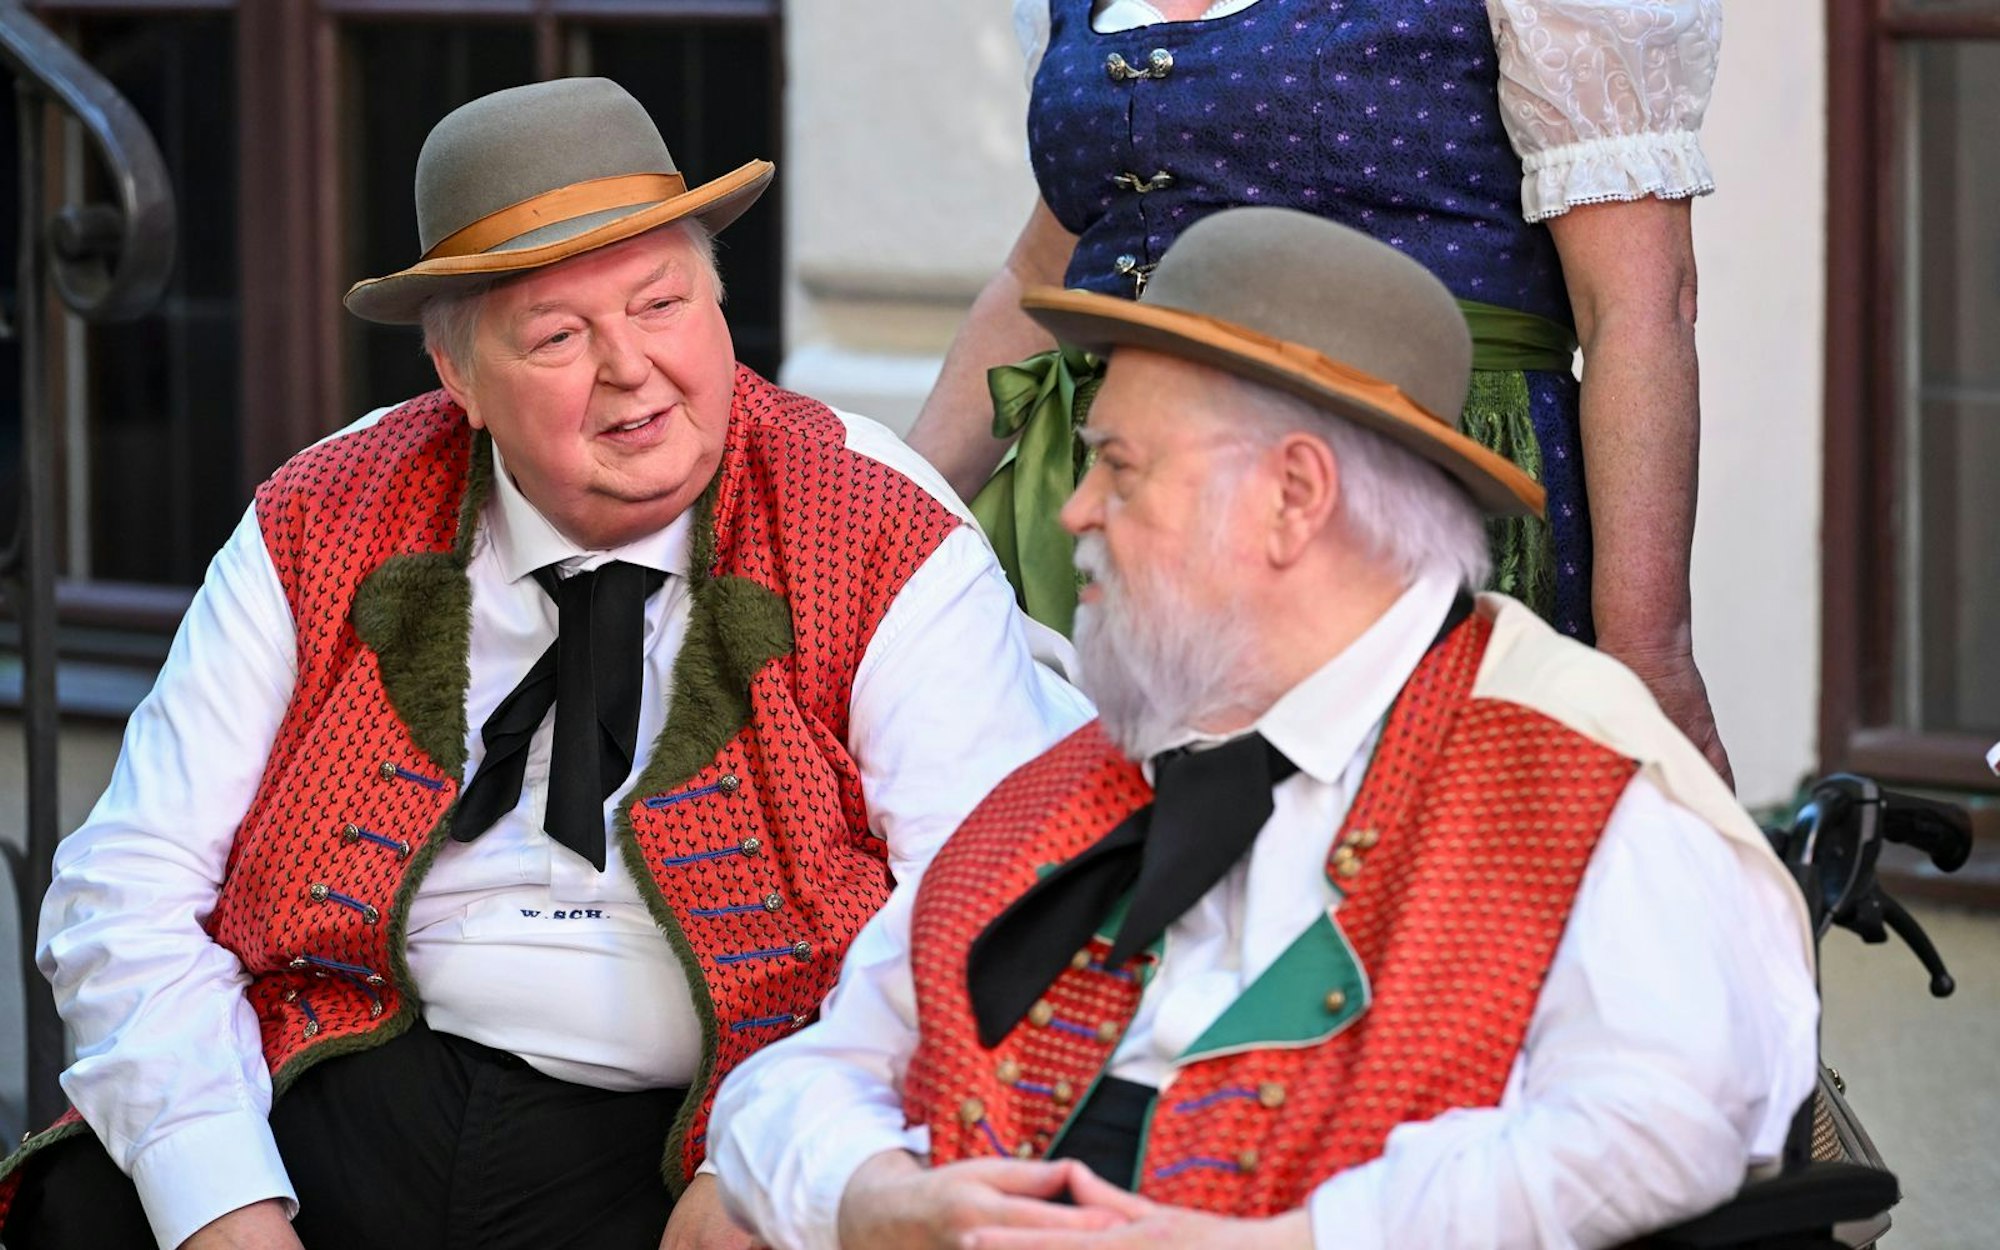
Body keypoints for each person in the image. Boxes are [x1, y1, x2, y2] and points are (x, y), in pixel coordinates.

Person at [0, 78, 1091, 1250]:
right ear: (458, 378)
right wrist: (219, 1195)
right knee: (102, 1208)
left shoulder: (876, 525)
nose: (630, 367)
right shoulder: (324, 510)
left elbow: (979, 913)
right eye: (559, 337)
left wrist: (778, 1167)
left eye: (662, 303)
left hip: (705, 1121)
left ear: (718, 307)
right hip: (355, 1062)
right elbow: (131, 880)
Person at [710, 207, 1818, 1250]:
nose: (1072, 509)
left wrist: (1299, 1241)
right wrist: (873, 1197)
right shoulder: (1076, 778)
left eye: (1119, 466)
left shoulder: (1566, 774)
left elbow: (1669, 1115)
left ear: (1294, 496)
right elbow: (796, 1079)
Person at [907, 0, 1735, 785]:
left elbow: (1637, 305)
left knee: (1414, 880)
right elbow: (1043, 271)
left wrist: (1646, 652)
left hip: (1388, 502)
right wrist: (886, 521)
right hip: (1099, 518)